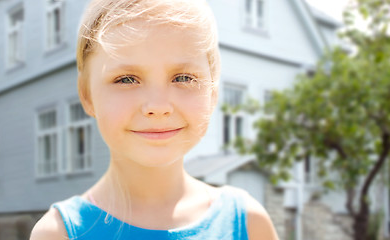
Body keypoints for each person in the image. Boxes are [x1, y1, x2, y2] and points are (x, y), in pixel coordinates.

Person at [31, 0, 279, 239]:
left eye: (183, 78)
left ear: (213, 92)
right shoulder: (59, 234)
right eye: (126, 79)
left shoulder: (248, 223)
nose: (158, 107)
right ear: (86, 95)